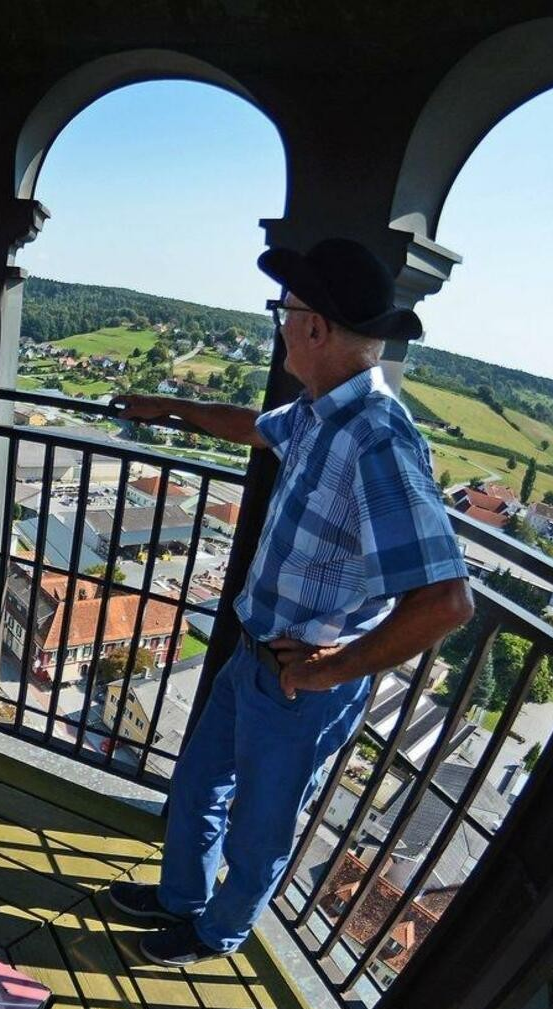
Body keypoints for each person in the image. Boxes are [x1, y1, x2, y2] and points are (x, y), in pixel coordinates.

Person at [106, 237, 473, 966]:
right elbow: (251, 426)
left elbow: (445, 601)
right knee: (200, 785)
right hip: (255, 657)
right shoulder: (316, 412)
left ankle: (217, 933)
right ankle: (183, 898)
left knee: (261, 828)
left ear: (314, 328)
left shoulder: (377, 439)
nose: (277, 325)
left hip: (300, 684)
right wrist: (164, 408)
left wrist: (332, 671)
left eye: (284, 311)